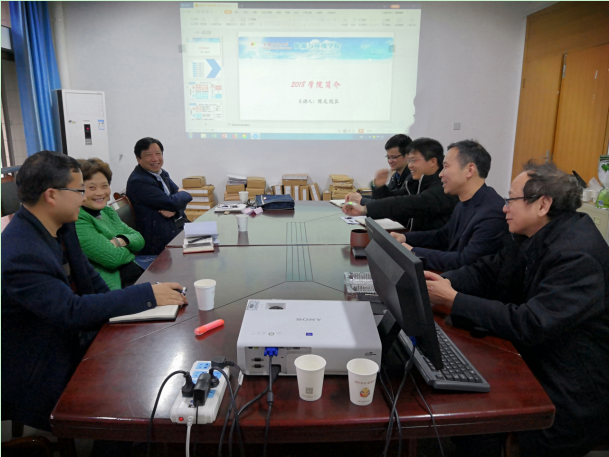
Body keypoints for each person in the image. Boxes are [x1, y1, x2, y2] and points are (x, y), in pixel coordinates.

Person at [425, 162, 609, 457]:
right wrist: (444, 283)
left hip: (571, 382)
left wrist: (454, 300)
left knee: (478, 415)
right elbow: (488, 270)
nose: (504, 208)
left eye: (511, 199)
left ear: (543, 205)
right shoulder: (530, 232)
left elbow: (531, 322)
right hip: (536, 355)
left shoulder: (577, 255)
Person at [1, 151, 188, 432]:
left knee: (148, 357)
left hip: (72, 339)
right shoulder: (21, 252)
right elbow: (70, 311)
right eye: (79, 190)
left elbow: (93, 284)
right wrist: (146, 296)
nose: (83, 198)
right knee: (133, 398)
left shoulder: (61, 227)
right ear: (51, 195)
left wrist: (144, 300)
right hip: (40, 368)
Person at [390, 140, 508, 271]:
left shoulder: (491, 213)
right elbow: (443, 235)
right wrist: (404, 237)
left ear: (469, 170)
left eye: (446, 167)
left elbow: (465, 261)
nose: (440, 174)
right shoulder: (464, 202)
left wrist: (413, 252)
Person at [342, 138, 459, 231]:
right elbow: (395, 198)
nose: (410, 165)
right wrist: (379, 187)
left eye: (413, 160)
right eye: (409, 161)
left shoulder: (443, 187)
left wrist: (365, 208)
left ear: (432, 161)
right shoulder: (416, 181)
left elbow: (410, 204)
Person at [75, 158, 145, 290]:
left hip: (134, 274)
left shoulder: (106, 211)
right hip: (113, 288)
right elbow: (113, 258)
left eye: (104, 186)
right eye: (91, 187)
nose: (100, 193)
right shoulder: (78, 218)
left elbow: (140, 240)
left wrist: (119, 241)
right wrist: (129, 248)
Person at [126, 137, 192, 255]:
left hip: (175, 227)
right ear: (138, 158)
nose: (155, 159)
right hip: (158, 241)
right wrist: (185, 193)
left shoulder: (162, 173)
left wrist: (175, 211)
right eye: (148, 155)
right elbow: (172, 202)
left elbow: (176, 203)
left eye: (158, 153)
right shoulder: (139, 181)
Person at [359, 134, 413, 205]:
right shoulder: (396, 176)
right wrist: (359, 196)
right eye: (388, 157)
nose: (390, 161)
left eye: (394, 157)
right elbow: (382, 197)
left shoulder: (413, 177)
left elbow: (390, 202)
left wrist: (360, 200)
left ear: (407, 155)